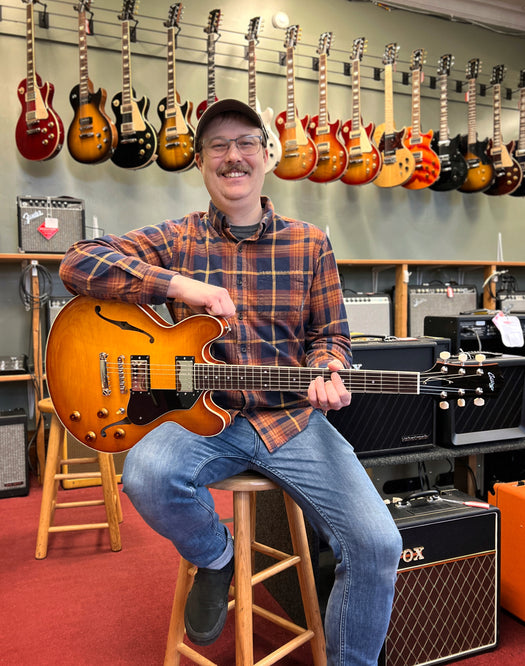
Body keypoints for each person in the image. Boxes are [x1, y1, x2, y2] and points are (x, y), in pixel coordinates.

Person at [59, 98, 402, 665]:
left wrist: (328, 371)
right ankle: (216, 557)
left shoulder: (310, 243)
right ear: (200, 163)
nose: (232, 156)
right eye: (217, 146)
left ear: (267, 155)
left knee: (378, 545)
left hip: (289, 422)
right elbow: (77, 262)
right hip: (201, 418)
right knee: (145, 475)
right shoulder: (179, 238)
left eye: (245, 143)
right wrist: (177, 287)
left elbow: (333, 337)